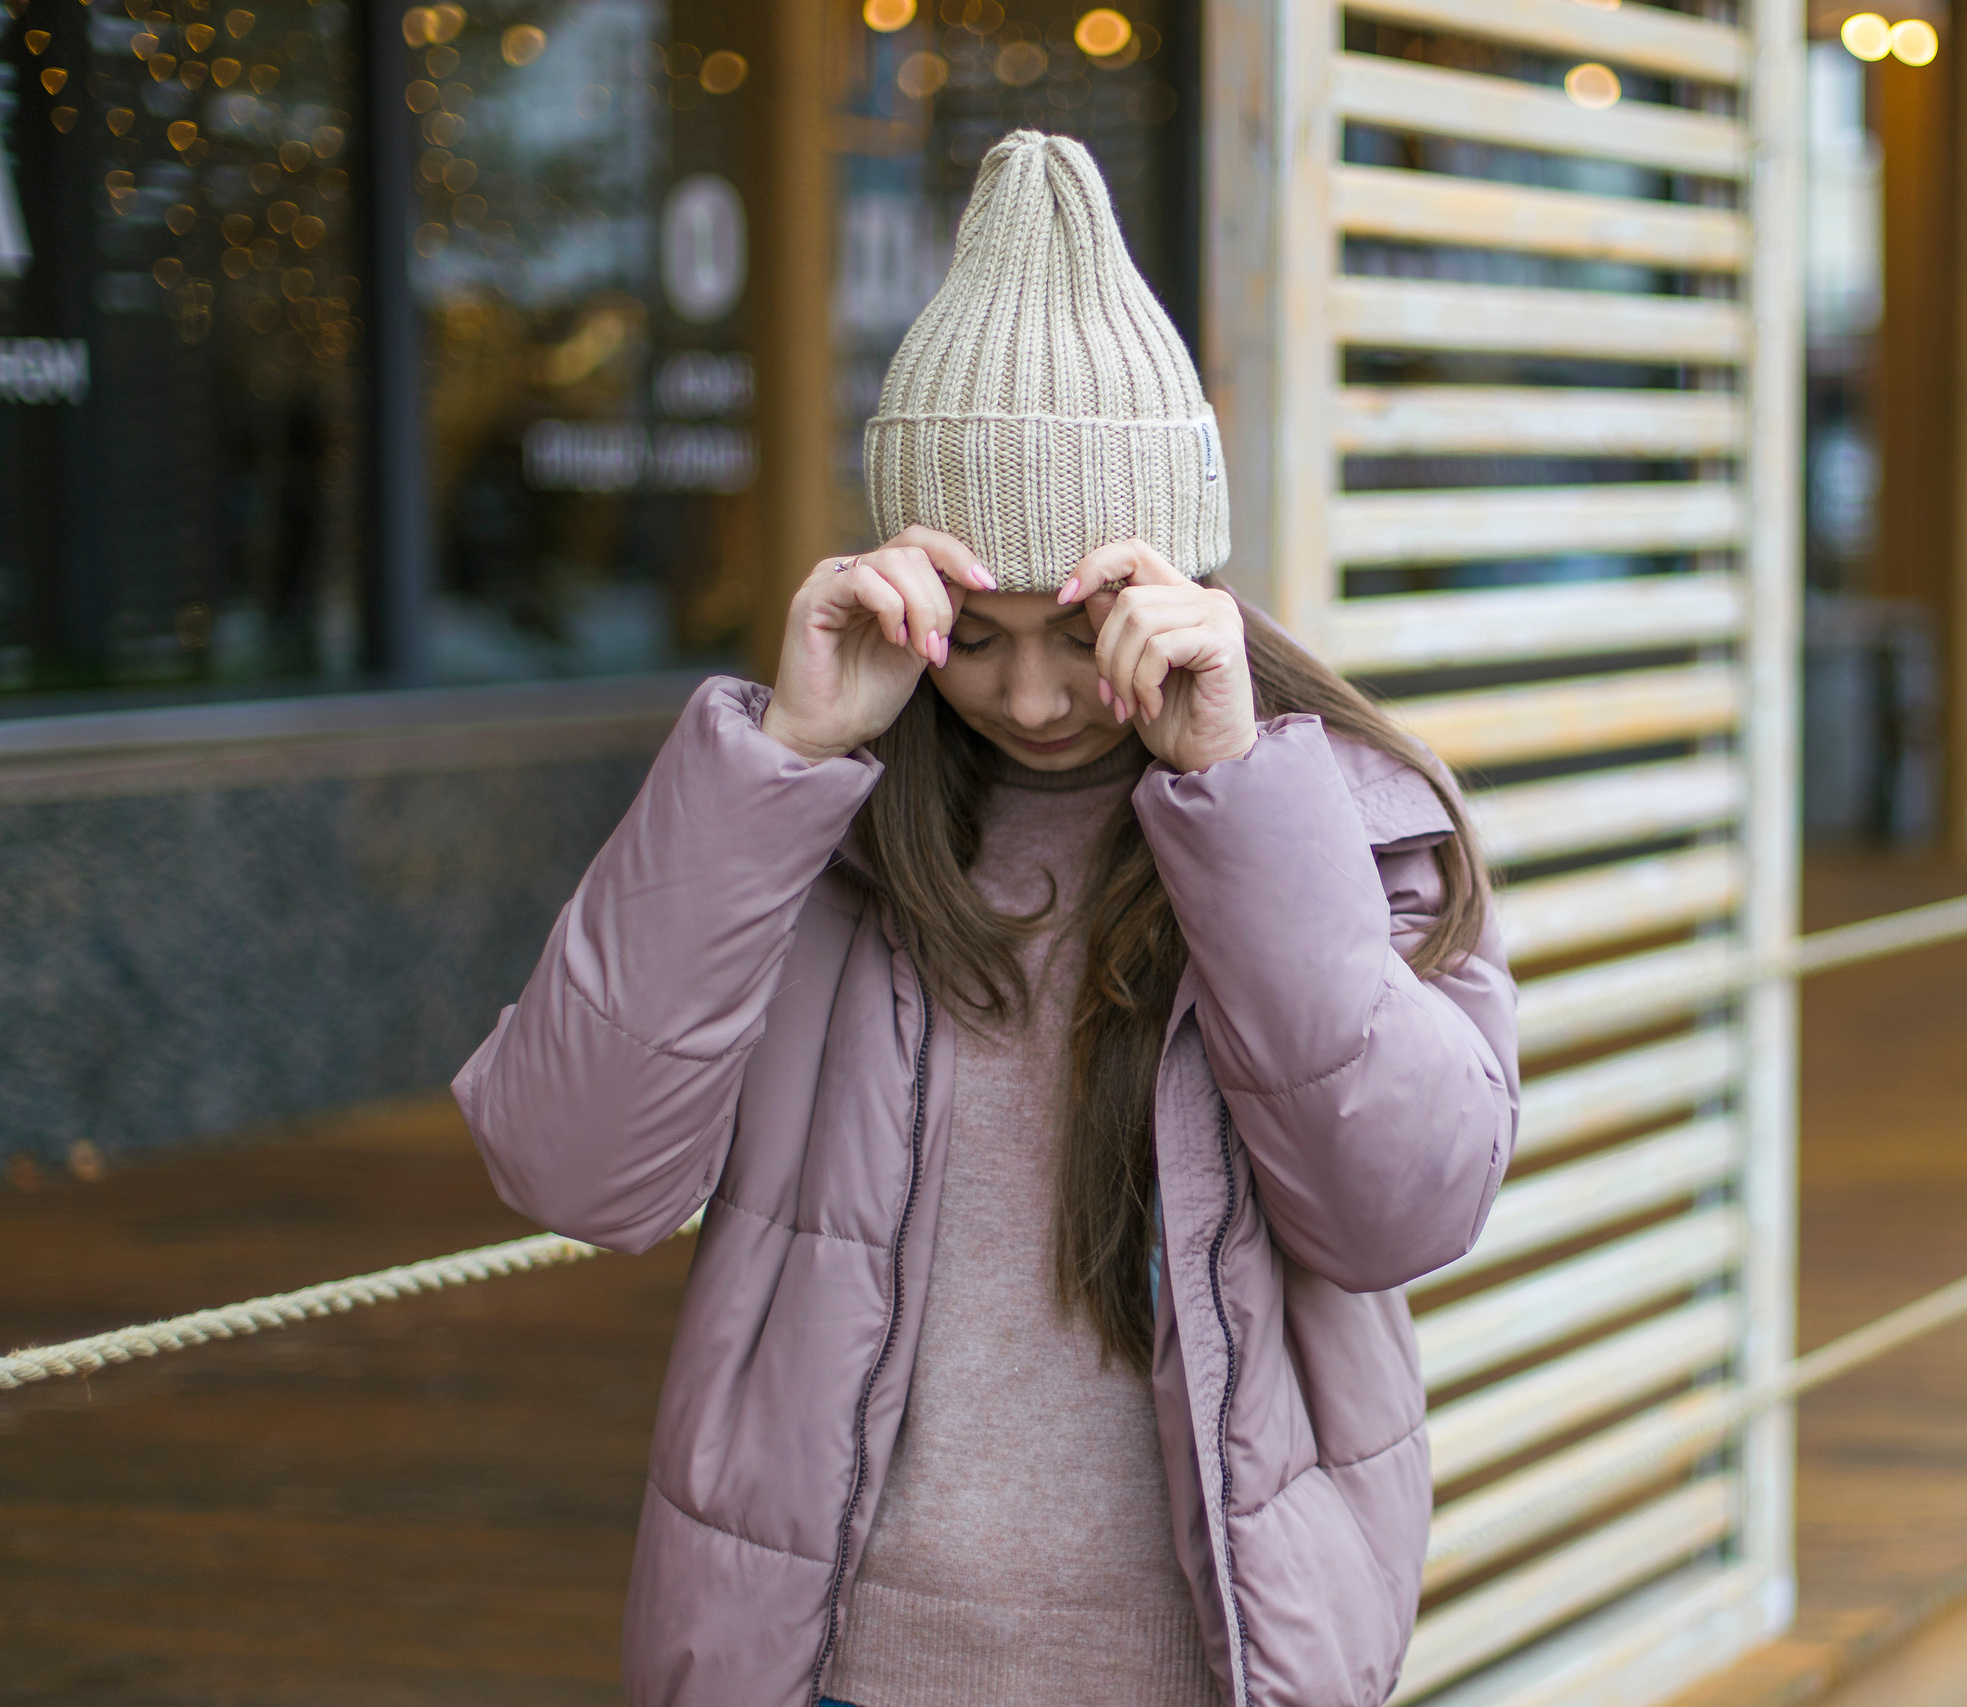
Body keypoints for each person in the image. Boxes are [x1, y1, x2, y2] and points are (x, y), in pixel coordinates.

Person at [454, 130, 1521, 1707]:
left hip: (1207, 1666)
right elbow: (570, 1168)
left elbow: (1400, 1210)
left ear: (1175, 574)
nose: (1032, 696)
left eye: (1080, 628)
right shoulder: (807, 820)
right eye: (981, 635)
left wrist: (1234, 797)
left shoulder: (1348, 817)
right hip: (839, 1664)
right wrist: (783, 761)